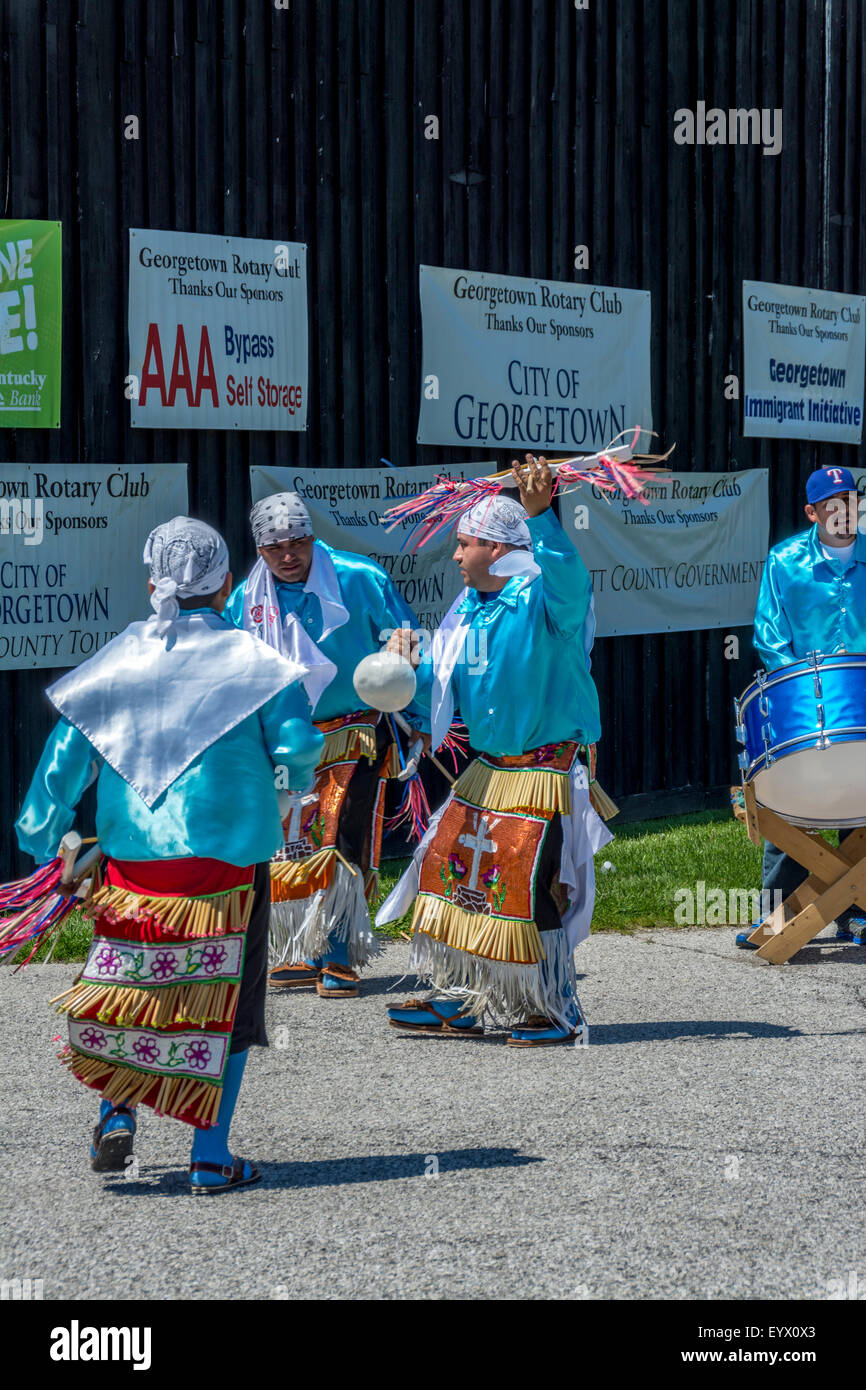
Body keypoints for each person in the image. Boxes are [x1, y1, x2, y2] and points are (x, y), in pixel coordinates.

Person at [15, 518, 323, 1189]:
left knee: (135, 988)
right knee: (226, 1006)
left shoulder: (116, 662)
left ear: (153, 582)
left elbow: (54, 782)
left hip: (131, 869)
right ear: (225, 585)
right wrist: (288, 793)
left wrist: (58, 847)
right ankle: (210, 1157)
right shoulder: (255, 661)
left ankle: (117, 1112)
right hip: (227, 864)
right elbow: (300, 748)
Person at [377, 455, 612, 1045]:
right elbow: (442, 682)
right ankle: (465, 996)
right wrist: (406, 667)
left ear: (500, 547)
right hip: (488, 772)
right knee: (452, 874)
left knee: (532, 887)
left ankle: (552, 1009)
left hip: (541, 772)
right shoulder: (468, 612)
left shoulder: (544, 601)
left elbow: (571, 579)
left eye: (465, 544)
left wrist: (541, 517)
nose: (455, 557)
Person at [225, 492, 429, 998]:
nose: (288, 555)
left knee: (342, 838)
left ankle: (339, 950)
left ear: (313, 539)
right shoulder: (243, 602)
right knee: (288, 844)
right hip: (281, 740)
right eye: (275, 547)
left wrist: (414, 696)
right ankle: (299, 948)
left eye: (298, 543)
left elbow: (407, 642)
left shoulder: (360, 579)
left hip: (352, 729)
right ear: (259, 549)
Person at [739, 464, 866, 948]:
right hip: (803, 704)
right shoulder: (783, 560)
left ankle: (855, 911)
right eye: (833, 504)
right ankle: (778, 912)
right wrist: (811, 689)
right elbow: (770, 638)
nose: (844, 511)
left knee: (861, 806)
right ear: (812, 512)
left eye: (851, 500)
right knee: (793, 804)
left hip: (862, 704)